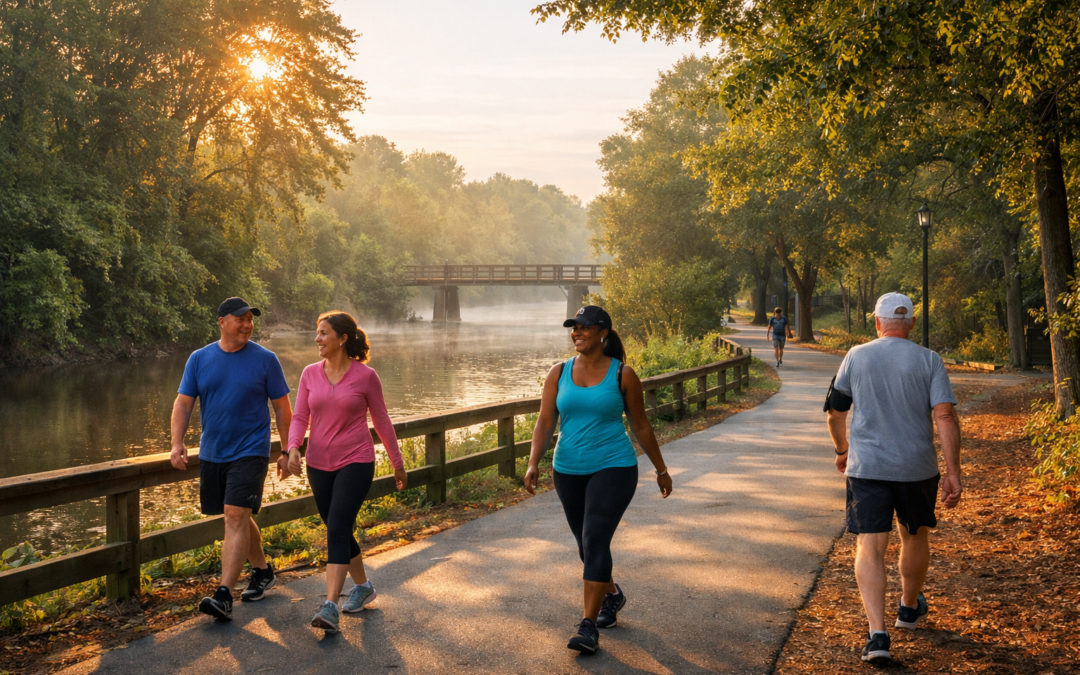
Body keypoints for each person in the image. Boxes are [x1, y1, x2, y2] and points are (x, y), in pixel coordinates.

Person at [524, 305, 673, 655]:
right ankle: (612, 595)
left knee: (593, 540)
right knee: (586, 547)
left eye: (584, 327)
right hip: (567, 470)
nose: (576, 332)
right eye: (573, 328)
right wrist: (533, 463)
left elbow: (641, 425)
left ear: (602, 332)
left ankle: (587, 626)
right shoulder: (558, 372)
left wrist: (661, 470)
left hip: (614, 466)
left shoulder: (623, 374)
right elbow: (545, 422)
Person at [825, 292, 962, 665]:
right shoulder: (929, 360)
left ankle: (877, 636)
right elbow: (945, 416)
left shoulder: (856, 356)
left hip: (868, 466)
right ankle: (907, 608)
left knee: (871, 545)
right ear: (912, 323)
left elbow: (836, 413)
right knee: (914, 534)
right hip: (916, 468)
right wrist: (953, 472)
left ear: (876, 322)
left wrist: (842, 450)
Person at [283, 311, 408, 633]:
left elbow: (381, 421)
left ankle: (329, 606)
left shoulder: (366, 376)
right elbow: (299, 417)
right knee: (337, 528)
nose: (317, 339)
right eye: (317, 332)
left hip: (356, 460)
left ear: (342, 338)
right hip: (318, 463)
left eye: (323, 333)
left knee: (337, 526)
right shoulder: (310, 374)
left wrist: (397, 462)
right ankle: (363, 586)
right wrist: (293, 448)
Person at [171, 297, 292, 621]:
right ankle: (263, 571)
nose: (247, 324)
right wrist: (176, 443)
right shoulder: (199, 359)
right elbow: (183, 403)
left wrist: (287, 449)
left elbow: (282, 407)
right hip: (213, 452)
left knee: (235, 515)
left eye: (250, 319)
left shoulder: (266, 360)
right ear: (222, 321)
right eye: (240, 319)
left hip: (251, 451)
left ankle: (224, 594)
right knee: (237, 514)